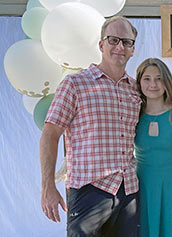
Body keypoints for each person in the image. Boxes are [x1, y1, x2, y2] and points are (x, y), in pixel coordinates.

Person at [39, 16, 141, 236]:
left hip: (129, 192)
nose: (120, 46)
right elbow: (50, 133)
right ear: (101, 45)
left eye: (127, 42)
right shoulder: (75, 84)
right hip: (88, 190)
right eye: (113, 40)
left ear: (133, 49)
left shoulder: (137, 89)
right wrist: (47, 186)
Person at [134, 58, 172, 237]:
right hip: (141, 191)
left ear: (167, 82)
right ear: (139, 82)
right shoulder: (133, 114)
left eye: (158, 78)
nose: (153, 84)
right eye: (147, 79)